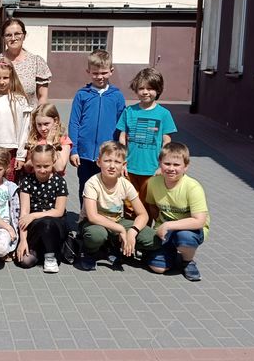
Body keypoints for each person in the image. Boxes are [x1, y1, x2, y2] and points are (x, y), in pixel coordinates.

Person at [78, 141, 154, 271]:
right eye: (107, 161)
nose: (112, 166)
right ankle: (89, 252)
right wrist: (121, 229)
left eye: (117, 162)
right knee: (96, 235)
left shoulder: (125, 184)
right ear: (99, 162)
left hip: (116, 220)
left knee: (152, 238)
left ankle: (121, 247)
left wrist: (132, 232)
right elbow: (92, 216)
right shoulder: (92, 183)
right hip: (94, 223)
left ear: (124, 165)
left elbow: (143, 214)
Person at [144, 142, 209, 282]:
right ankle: (170, 251)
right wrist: (158, 226)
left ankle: (187, 261)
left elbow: (199, 221)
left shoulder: (193, 187)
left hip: (190, 229)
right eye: (167, 164)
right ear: (160, 163)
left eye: (176, 165)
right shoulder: (153, 183)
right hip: (165, 229)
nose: (171, 168)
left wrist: (168, 225)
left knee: (185, 238)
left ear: (186, 166)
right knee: (157, 268)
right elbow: (152, 206)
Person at [68, 49, 125, 201]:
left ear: (111, 71)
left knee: (107, 189)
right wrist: (73, 150)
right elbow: (74, 123)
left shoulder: (117, 96)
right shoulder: (82, 95)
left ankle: (103, 214)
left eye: (104, 73)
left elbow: (122, 126)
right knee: (85, 188)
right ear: (88, 72)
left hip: (108, 154)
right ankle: (84, 215)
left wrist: (120, 151)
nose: (100, 77)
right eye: (95, 73)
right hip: (85, 154)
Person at [117, 68, 177, 205]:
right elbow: (122, 138)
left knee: (150, 204)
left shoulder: (164, 114)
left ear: (158, 90)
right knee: (129, 204)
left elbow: (166, 142)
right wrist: (122, 161)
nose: (145, 92)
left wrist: (162, 165)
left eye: (150, 88)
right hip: (130, 168)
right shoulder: (129, 111)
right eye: (141, 88)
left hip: (152, 169)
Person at [15, 144, 69, 273]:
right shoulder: (27, 181)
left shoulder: (59, 182)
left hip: (54, 224)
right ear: (32, 163)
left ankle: (50, 256)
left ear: (53, 162)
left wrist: (34, 215)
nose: (42, 170)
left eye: (46, 166)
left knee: (47, 222)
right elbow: (24, 214)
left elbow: (59, 211)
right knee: (25, 262)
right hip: (34, 226)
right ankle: (40, 250)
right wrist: (23, 240)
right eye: (38, 166)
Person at [0, 18, 52, 106]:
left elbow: (42, 97)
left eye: (17, 34)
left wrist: (39, 113)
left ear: (24, 35)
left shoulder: (36, 62)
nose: (13, 38)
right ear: (3, 38)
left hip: (29, 114)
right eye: (8, 35)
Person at [24, 103, 72, 176]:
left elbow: (59, 168)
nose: (43, 128)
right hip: (33, 180)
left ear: (55, 121)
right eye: (39, 124)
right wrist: (33, 162)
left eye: (46, 124)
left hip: (53, 181)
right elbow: (27, 169)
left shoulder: (63, 140)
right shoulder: (33, 139)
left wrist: (50, 143)